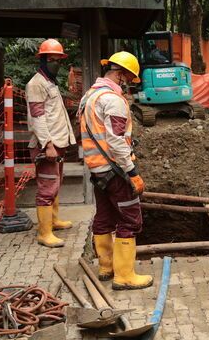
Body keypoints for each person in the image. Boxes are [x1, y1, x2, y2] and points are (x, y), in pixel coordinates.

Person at [78, 51, 153, 290]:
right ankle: (125, 276)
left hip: (97, 170)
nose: (129, 85)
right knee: (130, 220)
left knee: (104, 217)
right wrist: (133, 172)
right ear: (120, 75)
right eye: (129, 79)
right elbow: (117, 141)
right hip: (116, 170)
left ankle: (106, 267)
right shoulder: (113, 100)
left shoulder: (88, 97)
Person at [26, 39, 76, 248]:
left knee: (55, 184)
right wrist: (47, 145)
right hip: (48, 145)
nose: (56, 63)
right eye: (52, 59)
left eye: (59, 60)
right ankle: (44, 233)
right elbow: (38, 118)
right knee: (47, 188)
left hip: (58, 143)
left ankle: (53, 221)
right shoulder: (36, 84)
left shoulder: (50, 82)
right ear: (43, 60)